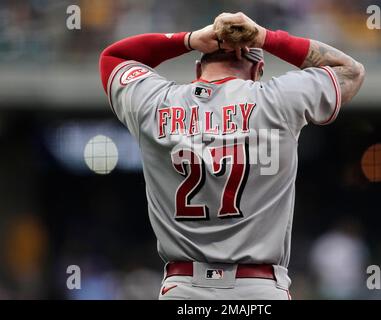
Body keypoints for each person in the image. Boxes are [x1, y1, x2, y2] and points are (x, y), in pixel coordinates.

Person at [99, 12, 365, 300]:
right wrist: (265, 36)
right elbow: (351, 71)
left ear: (199, 67)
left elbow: (113, 58)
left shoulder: (157, 103)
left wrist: (187, 40)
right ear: (257, 69)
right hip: (259, 291)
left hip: (183, 290)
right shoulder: (278, 99)